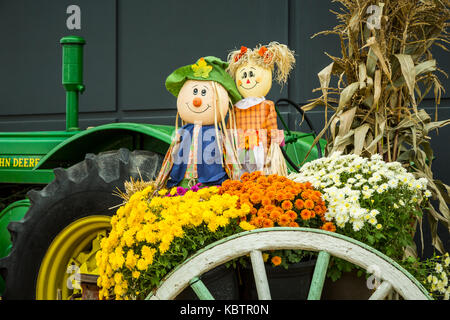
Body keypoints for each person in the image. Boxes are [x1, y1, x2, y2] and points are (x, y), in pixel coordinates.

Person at [155, 56, 242, 189]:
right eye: (195, 91)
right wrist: (158, 185)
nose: (197, 100)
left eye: (203, 93)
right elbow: (169, 160)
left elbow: (231, 162)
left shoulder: (218, 136)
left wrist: (239, 186)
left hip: (211, 186)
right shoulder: (182, 133)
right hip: (182, 186)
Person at [226, 42, 295, 176]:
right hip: (241, 144)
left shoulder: (266, 105)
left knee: (259, 169)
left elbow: (271, 126)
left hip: (259, 145)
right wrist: (228, 143)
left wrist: (274, 142)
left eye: (251, 74)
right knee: (243, 170)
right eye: (244, 75)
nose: (247, 80)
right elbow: (230, 128)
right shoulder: (236, 107)